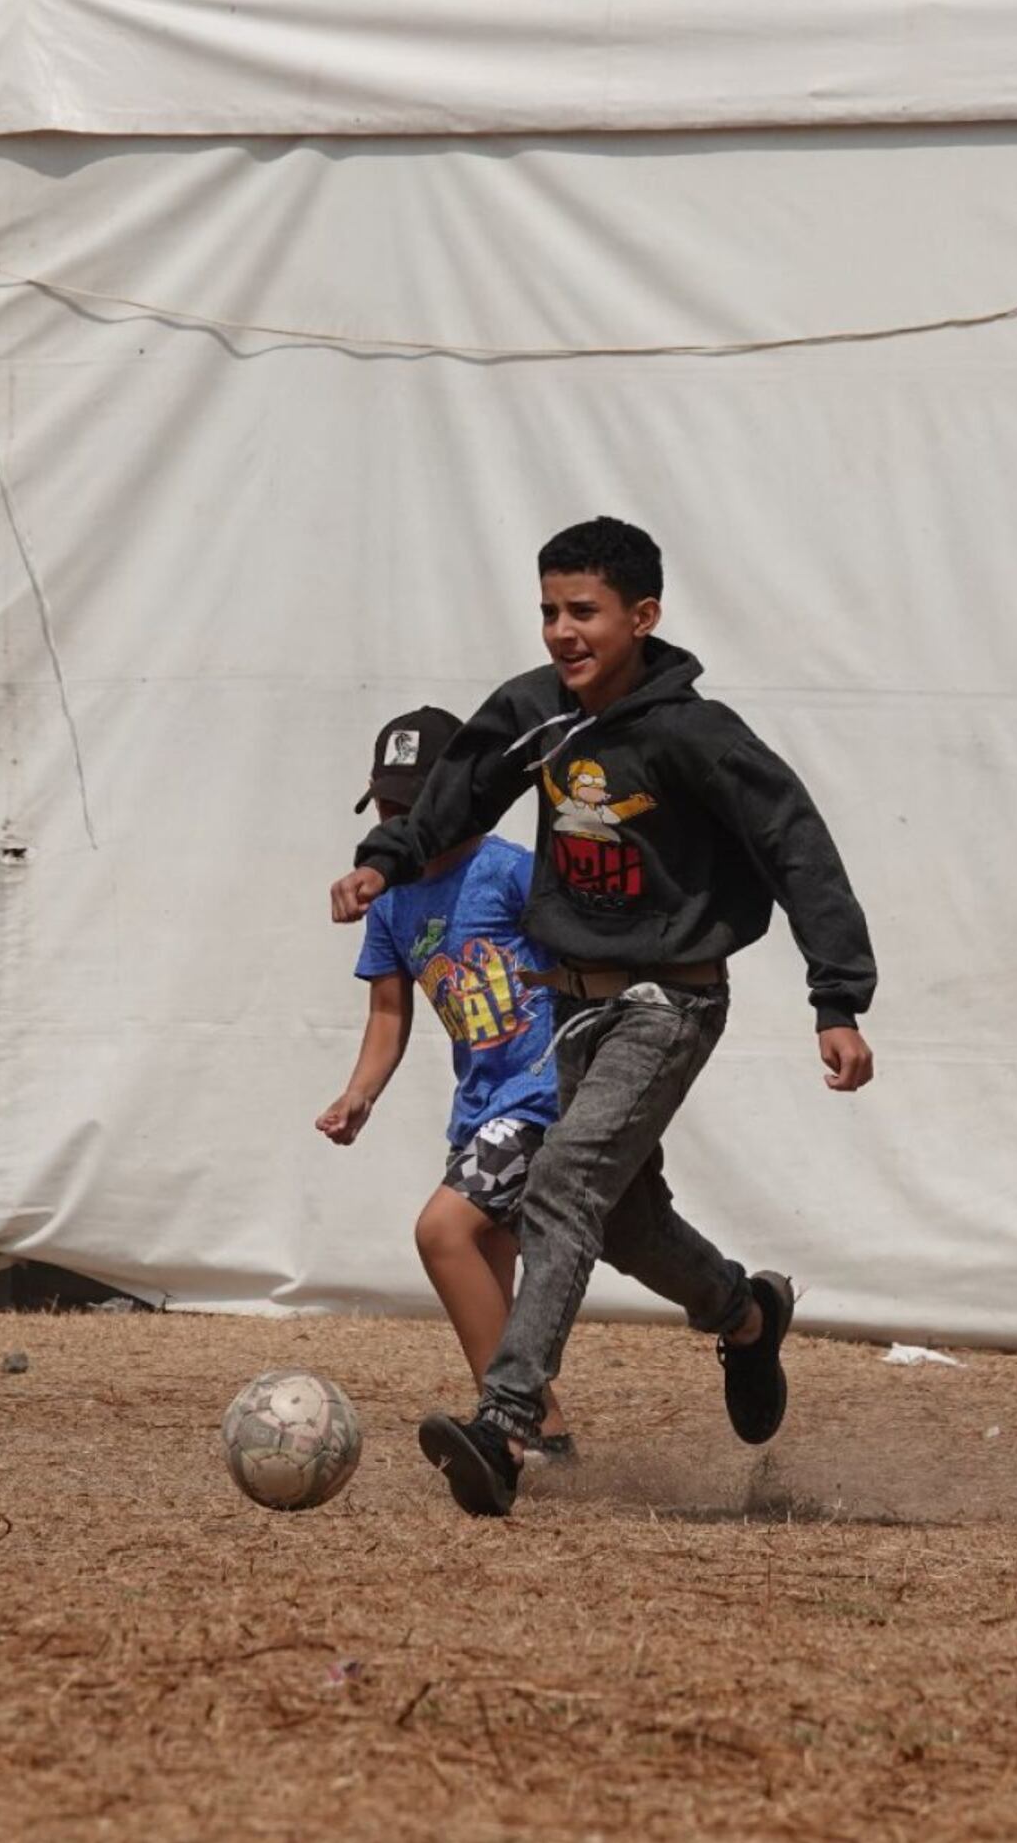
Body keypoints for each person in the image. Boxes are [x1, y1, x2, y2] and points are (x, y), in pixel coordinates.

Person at [329, 518, 877, 1515]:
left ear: (644, 616)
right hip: (574, 1007)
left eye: (584, 612)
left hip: (671, 1003)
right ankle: (746, 1315)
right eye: (549, 610)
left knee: (564, 1182)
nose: (561, 632)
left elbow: (796, 846)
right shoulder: (538, 714)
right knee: (623, 1222)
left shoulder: (696, 735)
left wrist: (836, 997)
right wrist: (386, 862)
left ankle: (505, 1423)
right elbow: (460, 793)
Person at [317, 707, 574, 1455]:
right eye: (388, 807)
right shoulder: (390, 900)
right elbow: (388, 1018)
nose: (401, 824)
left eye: (416, 807)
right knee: (484, 1272)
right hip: (480, 1107)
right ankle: (543, 1437)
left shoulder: (509, 871)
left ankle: (519, 1425)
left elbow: (585, 957)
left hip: (540, 1093)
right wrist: (356, 1095)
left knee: (442, 1232)